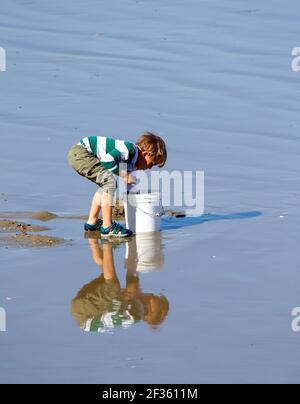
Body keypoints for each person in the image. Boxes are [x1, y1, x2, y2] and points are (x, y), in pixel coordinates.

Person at [68, 132, 167, 238]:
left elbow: (130, 186)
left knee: (105, 185)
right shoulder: (129, 150)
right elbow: (107, 161)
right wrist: (124, 175)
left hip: (82, 155)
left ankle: (92, 223)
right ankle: (107, 226)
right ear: (146, 154)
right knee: (109, 182)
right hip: (81, 153)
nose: (150, 168)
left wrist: (137, 196)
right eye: (152, 163)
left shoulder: (132, 164)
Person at [70, 238, 169, 333]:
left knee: (112, 286)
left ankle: (107, 241)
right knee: (106, 275)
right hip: (83, 314)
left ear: (152, 310)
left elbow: (131, 281)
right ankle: (93, 239)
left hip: (87, 314)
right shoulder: (136, 307)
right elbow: (131, 276)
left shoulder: (138, 311)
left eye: (156, 298)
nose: (153, 294)